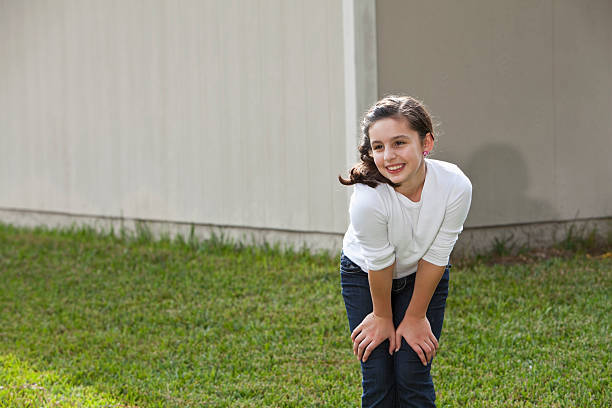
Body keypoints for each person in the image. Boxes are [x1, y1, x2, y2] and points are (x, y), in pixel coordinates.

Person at [338, 95, 472, 407]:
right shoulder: (368, 198)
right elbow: (380, 262)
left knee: (413, 371)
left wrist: (414, 316)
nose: (389, 156)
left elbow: (438, 253)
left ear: (426, 142)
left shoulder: (455, 185)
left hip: (422, 273)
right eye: (379, 147)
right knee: (378, 376)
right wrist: (382, 316)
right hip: (365, 274)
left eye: (399, 142)